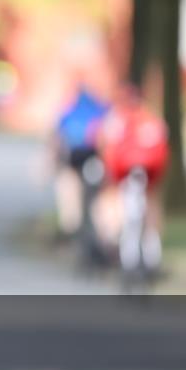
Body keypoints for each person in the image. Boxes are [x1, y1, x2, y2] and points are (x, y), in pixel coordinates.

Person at [96, 84, 169, 275]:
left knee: (117, 202)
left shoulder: (118, 118)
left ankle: (116, 245)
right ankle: (151, 253)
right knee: (149, 204)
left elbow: (106, 146)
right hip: (147, 172)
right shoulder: (151, 117)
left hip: (126, 171)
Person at [52, 85, 110, 265]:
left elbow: (57, 140)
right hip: (93, 162)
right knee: (96, 201)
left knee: (73, 196)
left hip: (74, 162)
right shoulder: (101, 111)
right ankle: (102, 238)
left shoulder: (68, 112)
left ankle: (72, 228)